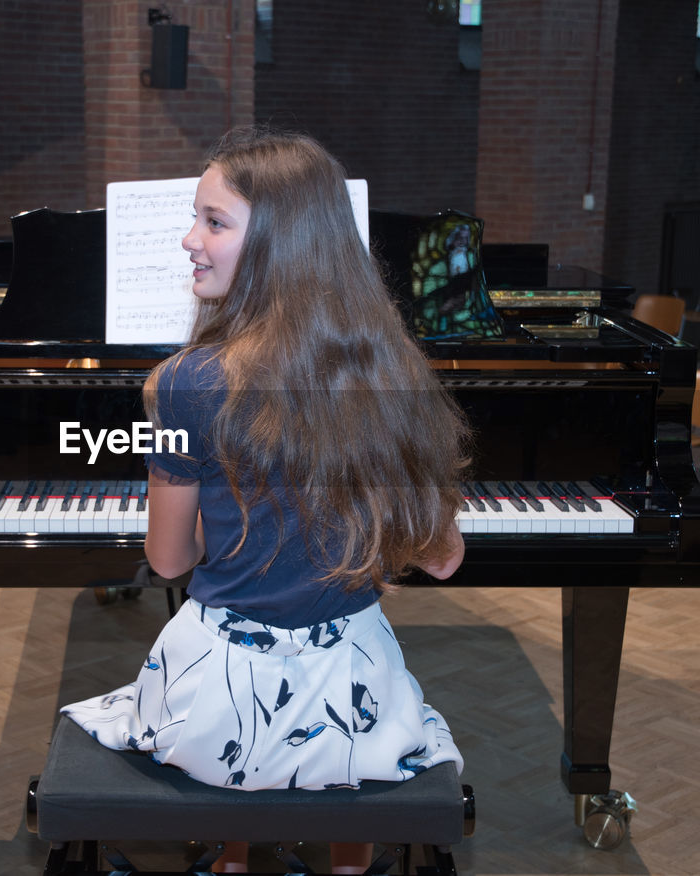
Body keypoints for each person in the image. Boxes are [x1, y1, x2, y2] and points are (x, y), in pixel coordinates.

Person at [60, 127, 469, 874]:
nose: (189, 239)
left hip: (222, 699)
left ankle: (234, 856)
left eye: (214, 222)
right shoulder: (392, 373)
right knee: (355, 721)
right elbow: (442, 561)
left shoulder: (185, 382)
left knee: (186, 698)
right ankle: (346, 861)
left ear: (280, 243)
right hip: (355, 700)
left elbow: (167, 558)